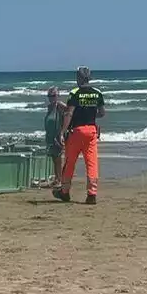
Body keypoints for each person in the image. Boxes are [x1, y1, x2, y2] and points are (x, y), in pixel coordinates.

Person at [53, 66, 106, 204]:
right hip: (91, 131)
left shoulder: (75, 93)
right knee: (92, 163)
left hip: (77, 131)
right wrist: (89, 112)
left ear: (79, 78)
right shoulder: (97, 93)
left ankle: (64, 192)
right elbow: (101, 113)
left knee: (70, 162)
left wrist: (62, 131)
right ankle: (92, 194)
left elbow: (69, 113)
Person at [43, 86, 66, 187]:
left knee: (58, 158)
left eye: (53, 96)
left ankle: (60, 180)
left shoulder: (60, 106)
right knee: (54, 158)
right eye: (49, 96)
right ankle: (57, 179)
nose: (51, 98)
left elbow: (69, 115)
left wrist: (61, 133)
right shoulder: (49, 107)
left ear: (57, 96)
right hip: (50, 135)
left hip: (57, 135)